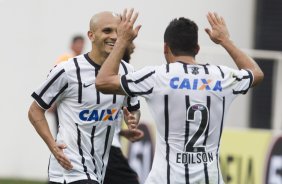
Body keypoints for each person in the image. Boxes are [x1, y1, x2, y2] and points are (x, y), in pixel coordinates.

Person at [96, 9, 264, 184]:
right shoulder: (221, 76)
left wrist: (122, 40)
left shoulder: (158, 76)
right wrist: (225, 41)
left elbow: (103, 81)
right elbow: (256, 73)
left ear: (166, 47)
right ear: (197, 49)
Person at [28, 11, 140, 184]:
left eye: (117, 31)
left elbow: (134, 109)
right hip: (70, 169)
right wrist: (52, 145)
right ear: (91, 35)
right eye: (107, 31)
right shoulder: (67, 70)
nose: (113, 36)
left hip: (99, 169)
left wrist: (133, 120)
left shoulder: (127, 72)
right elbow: (35, 110)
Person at [103, 43, 144, 184]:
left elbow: (133, 110)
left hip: (108, 147)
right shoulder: (84, 71)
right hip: (104, 149)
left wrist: (123, 131)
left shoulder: (128, 71)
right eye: (130, 41)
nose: (133, 46)